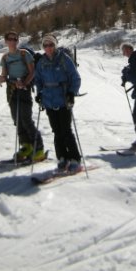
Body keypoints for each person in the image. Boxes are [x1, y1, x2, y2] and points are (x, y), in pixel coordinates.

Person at [34, 34, 82, 172]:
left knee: (66, 130)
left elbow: (75, 77)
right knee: (56, 131)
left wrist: (72, 93)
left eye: (51, 45)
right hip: (49, 100)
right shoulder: (42, 62)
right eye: (45, 45)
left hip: (63, 99)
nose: (48, 48)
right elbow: (38, 80)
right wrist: (39, 94)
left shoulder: (64, 59)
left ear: (55, 45)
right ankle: (62, 157)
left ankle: (75, 159)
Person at [0, 30, 45, 162]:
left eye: (14, 39)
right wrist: (1, 78)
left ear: (17, 41)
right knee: (17, 119)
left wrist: (24, 82)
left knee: (26, 119)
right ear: (6, 41)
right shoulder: (5, 57)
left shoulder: (24, 54)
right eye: (10, 39)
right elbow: (4, 73)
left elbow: (32, 72)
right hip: (12, 90)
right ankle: (26, 146)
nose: (12, 41)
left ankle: (38, 148)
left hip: (24, 89)